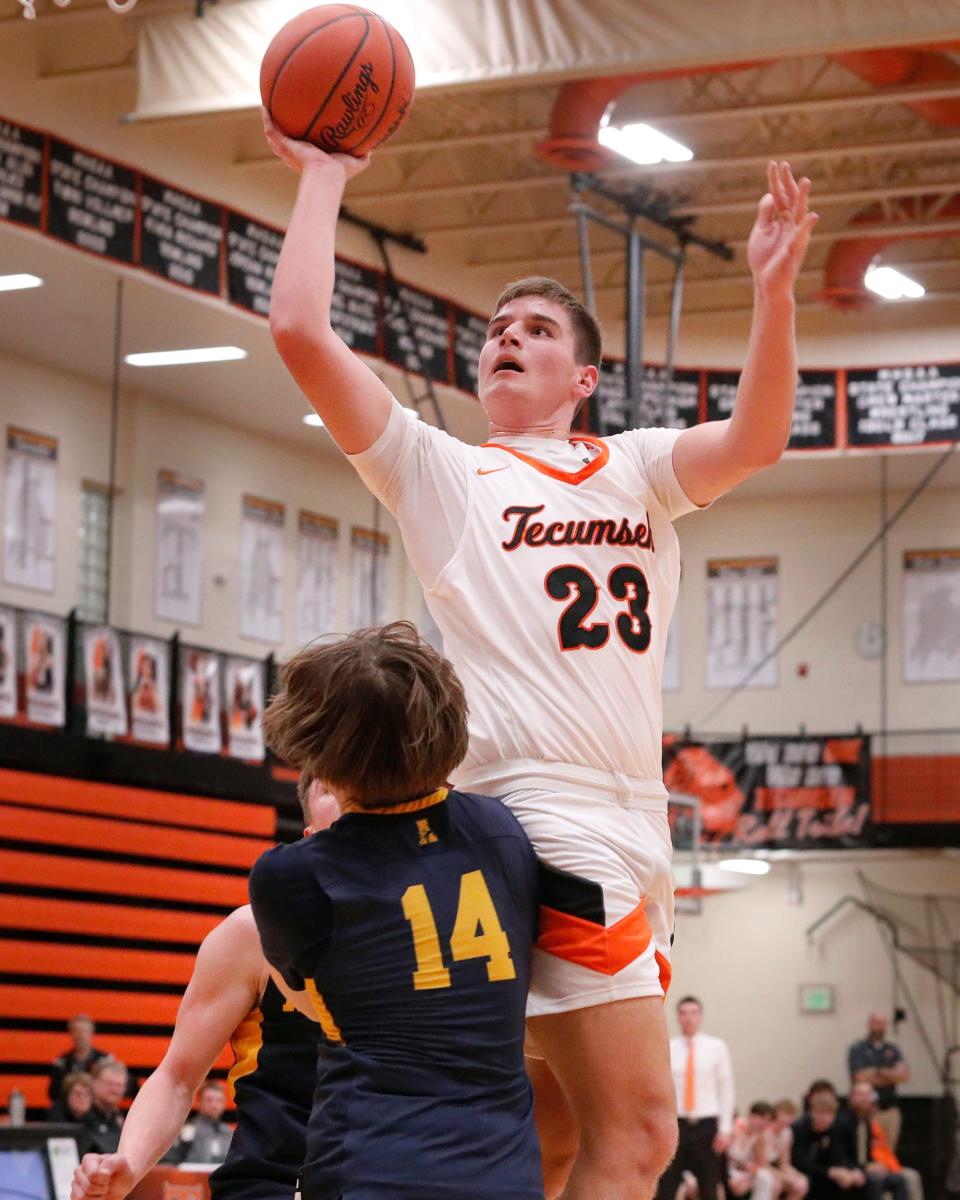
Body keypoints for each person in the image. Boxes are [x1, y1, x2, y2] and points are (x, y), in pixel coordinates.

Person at [262, 100, 817, 1199]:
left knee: (560, 1140)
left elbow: (758, 437)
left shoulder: (639, 466)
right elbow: (299, 334)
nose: (505, 335)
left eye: (536, 331)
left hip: (628, 811)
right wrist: (323, 176)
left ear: (584, 381)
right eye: (496, 328)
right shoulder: (443, 473)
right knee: (646, 1138)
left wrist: (773, 294)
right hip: (541, 813)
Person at [249, 622, 544, 1200]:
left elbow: (311, 1007)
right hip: (504, 1176)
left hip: (367, 1167)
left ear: (319, 755)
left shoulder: (291, 875)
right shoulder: (503, 829)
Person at [69, 779, 337, 1200]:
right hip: (276, 1184)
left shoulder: (428, 928)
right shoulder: (251, 934)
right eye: (331, 786)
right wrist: (131, 1161)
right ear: (310, 836)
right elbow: (177, 1077)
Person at [655, 996, 735, 1200]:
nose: (688, 1018)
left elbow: (725, 1089)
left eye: (693, 1013)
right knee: (667, 1186)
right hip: (676, 1124)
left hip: (706, 1126)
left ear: (700, 1016)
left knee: (709, 1187)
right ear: (678, 1017)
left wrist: (725, 1129)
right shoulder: (668, 1047)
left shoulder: (717, 1047)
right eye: (683, 1013)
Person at [838, 1082, 922, 1200]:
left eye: (868, 1095)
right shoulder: (842, 1123)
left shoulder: (866, 1123)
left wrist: (876, 1165)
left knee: (899, 1180)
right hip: (851, 1169)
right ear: (851, 1098)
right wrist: (864, 1167)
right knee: (874, 1181)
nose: (864, 1099)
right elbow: (840, 1157)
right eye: (860, 1095)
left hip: (867, 1167)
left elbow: (868, 1153)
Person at [848, 1013, 910, 1151]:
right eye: (876, 1023)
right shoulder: (858, 1049)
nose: (879, 1027)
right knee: (868, 1150)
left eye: (882, 1023)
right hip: (868, 1111)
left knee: (888, 1152)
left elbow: (904, 1076)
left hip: (890, 1108)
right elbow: (860, 1077)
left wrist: (877, 1072)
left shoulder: (892, 1049)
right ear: (869, 1024)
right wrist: (890, 1074)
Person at [792, 1092, 865, 1200]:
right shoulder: (800, 1129)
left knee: (855, 1182)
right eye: (820, 1113)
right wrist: (829, 1172)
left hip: (827, 1174)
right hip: (808, 1174)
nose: (824, 1118)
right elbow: (800, 1162)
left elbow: (841, 1157)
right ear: (811, 1112)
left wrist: (853, 1170)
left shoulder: (836, 1130)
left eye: (828, 1114)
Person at [169, 1081, 233, 1166]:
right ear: (199, 1102)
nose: (214, 1105)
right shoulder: (188, 1128)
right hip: (193, 1176)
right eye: (209, 1100)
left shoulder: (228, 1131)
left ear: (224, 1103)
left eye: (219, 1100)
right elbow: (174, 1159)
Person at [48, 1016, 109, 1104]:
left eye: (84, 1031)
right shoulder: (61, 1062)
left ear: (92, 1033)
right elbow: (52, 1093)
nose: (81, 1035)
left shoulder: (104, 1060)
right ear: (71, 1033)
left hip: (97, 1108)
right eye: (77, 1031)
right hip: (68, 1109)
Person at [727, 1102, 782, 1200]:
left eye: (768, 1120)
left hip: (742, 1169)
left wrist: (748, 1176)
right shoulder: (735, 1127)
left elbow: (759, 1163)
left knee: (766, 1178)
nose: (764, 1123)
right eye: (762, 1118)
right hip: (727, 1168)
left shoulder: (760, 1136)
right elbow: (723, 1156)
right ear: (751, 1116)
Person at [82, 1060, 129, 1155]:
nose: (115, 1090)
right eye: (110, 1084)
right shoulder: (78, 1114)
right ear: (93, 1082)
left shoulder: (121, 1118)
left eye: (119, 1085)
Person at [770, 1099, 810, 1200]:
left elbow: (784, 1162)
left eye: (791, 1115)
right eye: (785, 1114)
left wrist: (793, 1175)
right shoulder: (766, 1132)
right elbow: (761, 1163)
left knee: (801, 1184)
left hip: (776, 1167)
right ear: (776, 1113)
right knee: (775, 1185)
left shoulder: (788, 1133)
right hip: (763, 1167)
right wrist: (784, 1177)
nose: (788, 1118)